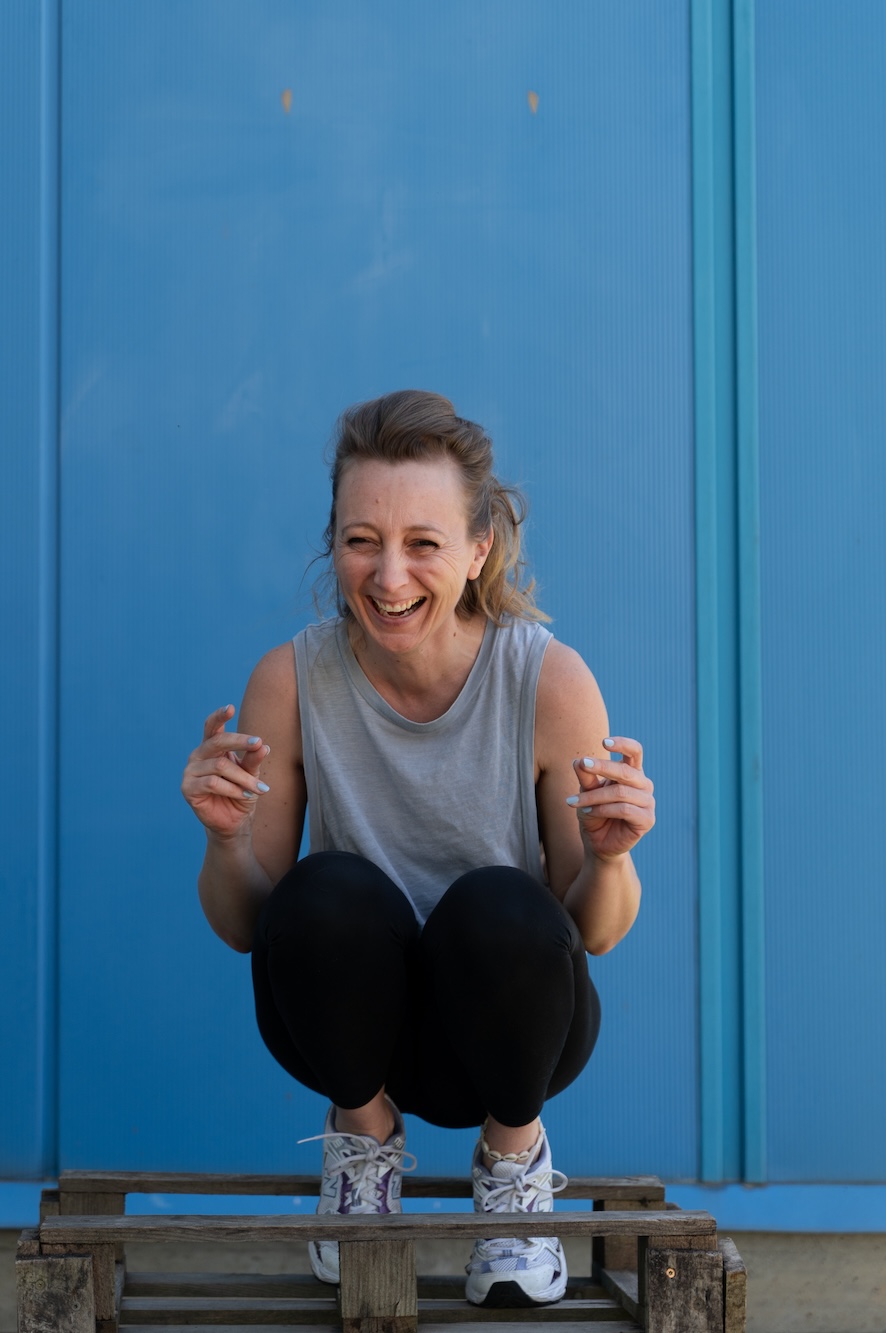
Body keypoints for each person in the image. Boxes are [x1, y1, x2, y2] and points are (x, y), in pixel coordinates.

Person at [181, 390, 655, 1308]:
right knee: (320, 893)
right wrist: (225, 840)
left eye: (423, 542)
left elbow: (594, 934)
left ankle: (513, 1167)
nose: (389, 575)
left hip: (516, 1032)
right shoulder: (292, 679)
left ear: (479, 549)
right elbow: (250, 927)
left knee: (501, 904)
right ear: (333, 543)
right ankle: (364, 1146)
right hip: (358, 1037)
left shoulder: (548, 680)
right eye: (362, 539)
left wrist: (609, 857)